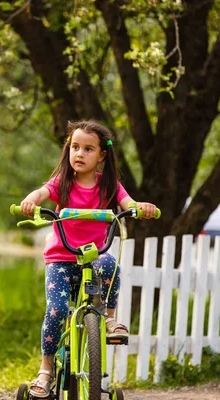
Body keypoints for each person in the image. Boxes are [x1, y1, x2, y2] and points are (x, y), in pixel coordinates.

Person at [20, 120, 157, 398]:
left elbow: (128, 204)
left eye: (88, 149)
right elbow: (42, 192)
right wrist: (31, 200)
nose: (79, 154)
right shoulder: (63, 183)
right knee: (57, 309)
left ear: (102, 156)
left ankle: (108, 319)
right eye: (75, 147)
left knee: (110, 263)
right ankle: (46, 370)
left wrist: (139, 208)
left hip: (93, 258)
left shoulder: (109, 187)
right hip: (60, 258)